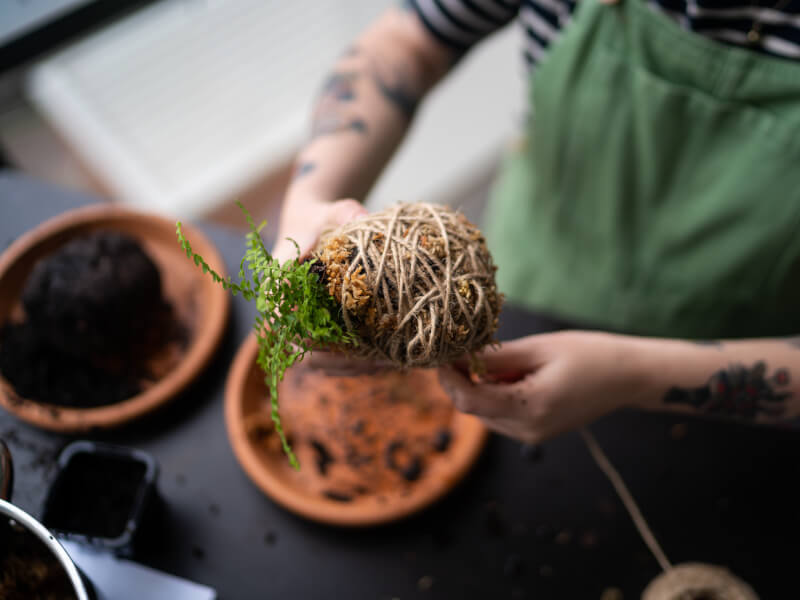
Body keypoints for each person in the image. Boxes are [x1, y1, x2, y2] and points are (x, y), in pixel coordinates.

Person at [272, 0, 800, 444]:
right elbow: (410, 39)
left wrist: (634, 374)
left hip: (727, 378)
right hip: (519, 286)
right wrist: (311, 197)